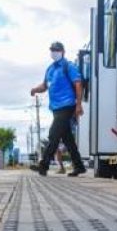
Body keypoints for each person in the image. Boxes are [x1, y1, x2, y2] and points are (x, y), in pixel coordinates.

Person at [30, 41, 86, 177]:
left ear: (62, 52)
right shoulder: (50, 69)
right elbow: (45, 86)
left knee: (53, 134)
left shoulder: (68, 66)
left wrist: (78, 105)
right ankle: (79, 166)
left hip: (67, 106)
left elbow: (78, 84)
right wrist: (35, 89)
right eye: (52, 50)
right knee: (68, 139)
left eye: (56, 50)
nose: (54, 52)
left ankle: (43, 165)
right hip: (55, 108)